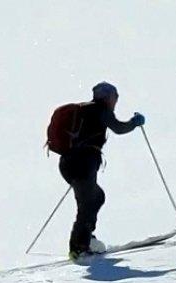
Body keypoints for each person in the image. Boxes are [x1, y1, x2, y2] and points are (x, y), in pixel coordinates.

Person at [60, 81, 145, 259]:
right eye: (115, 97)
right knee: (88, 203)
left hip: (68, 163)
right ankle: (79, 247)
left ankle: (86, 239)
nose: (115, 102)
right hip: (83, 163)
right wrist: (134, 122)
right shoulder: (101, 110)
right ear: (108, 97)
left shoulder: (83, 110)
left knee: (96, 197)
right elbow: (119, 128)